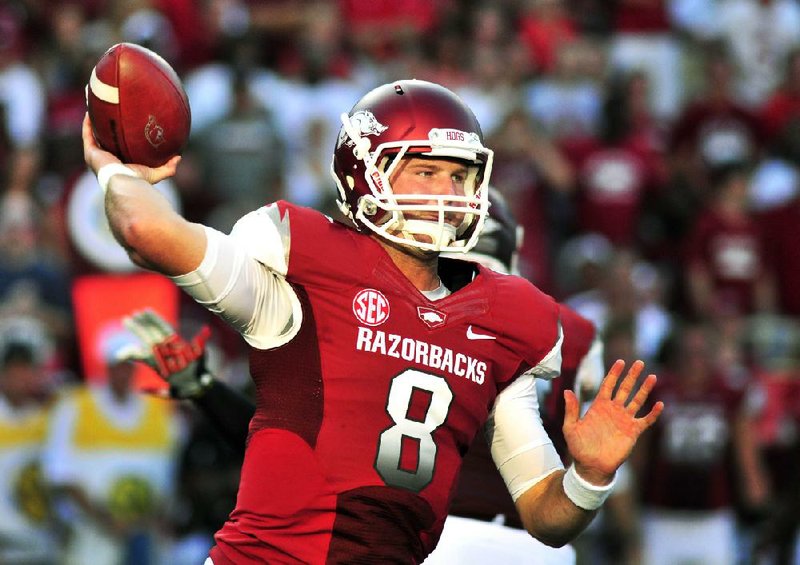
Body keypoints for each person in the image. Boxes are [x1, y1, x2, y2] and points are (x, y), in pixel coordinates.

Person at [83, 78, 663, 564]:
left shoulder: (509, 318)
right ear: (365, 172)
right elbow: (145, 232)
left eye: (459, 176)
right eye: (426, 173)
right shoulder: (301, 267)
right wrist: (115, 172)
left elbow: (544, 516)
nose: (449, 192)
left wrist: (587, 478)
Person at [40, 328, 182, 565]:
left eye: (128, 365)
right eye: (117, 365)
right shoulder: (74, 406)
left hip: (146, 536)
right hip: (90, 537)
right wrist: (106, 520)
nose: (123, 372)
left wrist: (152, 519)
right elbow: (59, 474)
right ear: (106, 366)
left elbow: (169, 477)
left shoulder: (159, 411)